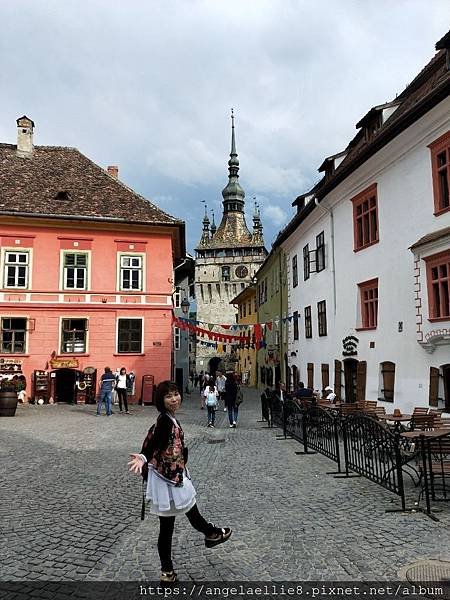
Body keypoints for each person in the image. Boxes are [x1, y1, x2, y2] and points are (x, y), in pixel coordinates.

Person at [128, 381, 232, 583]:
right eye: (168, 396)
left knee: (169, 526)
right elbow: (156, 442)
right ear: (161, 400)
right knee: (189, 511)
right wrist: (142, 456)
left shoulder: (168, 418)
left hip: (170, 475)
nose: (174, 399)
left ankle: (168, 572)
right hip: (168, 478)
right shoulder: (165, 422)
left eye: (176, 394)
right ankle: (211, 534)